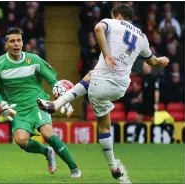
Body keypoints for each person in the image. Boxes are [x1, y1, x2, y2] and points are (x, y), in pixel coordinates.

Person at [37, 4, 169, 182]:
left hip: (101, 86)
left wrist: (106, 54)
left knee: (103, 124)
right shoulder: (142, 36)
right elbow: (151, 61)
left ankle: (56, 105)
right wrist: (160, 60)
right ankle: (113, 167)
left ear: (119, 16)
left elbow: (98, 28)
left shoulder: (112, 23)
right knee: (92, 79)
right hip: (121, 87)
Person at [0, 28, 81, 178]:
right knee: (21, 140)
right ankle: (47, 152)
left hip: (38, 103)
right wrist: (2, 104)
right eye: (12, 41)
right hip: (17, 109)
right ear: (6, 44)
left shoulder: (34, 60)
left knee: (47, 132)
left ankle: (74, 169)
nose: (16, 44)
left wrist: (64, 98)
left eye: (19, 40)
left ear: (22, 42)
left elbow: (53, 81)